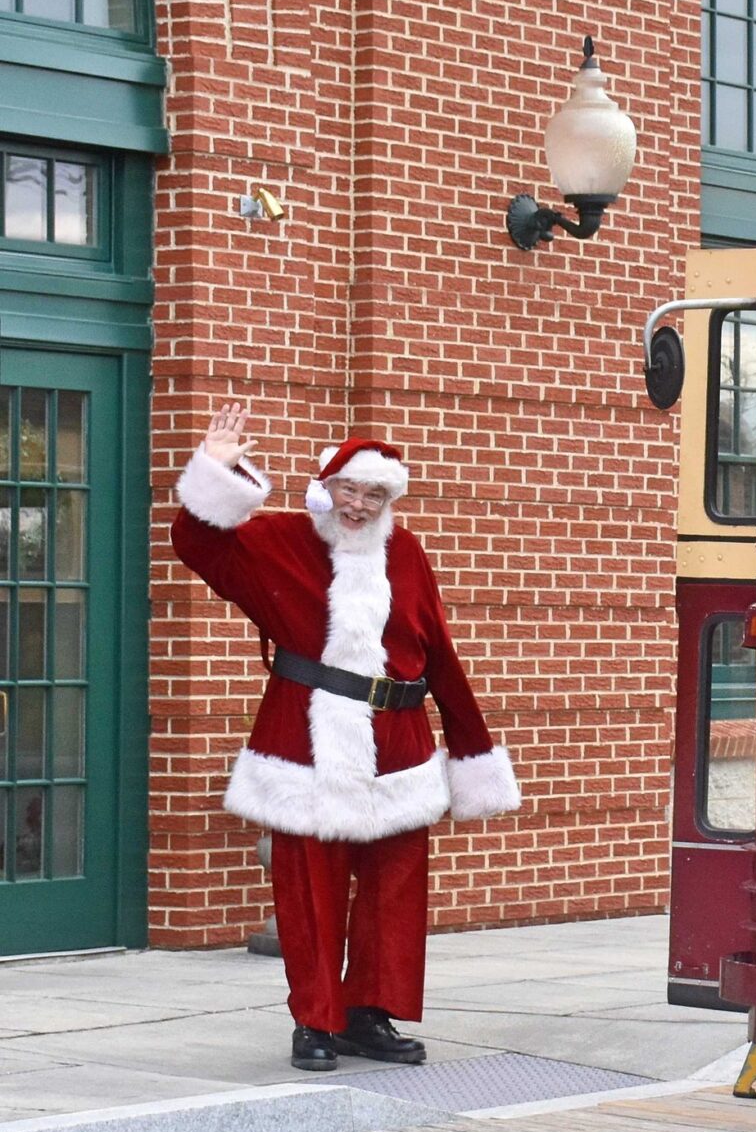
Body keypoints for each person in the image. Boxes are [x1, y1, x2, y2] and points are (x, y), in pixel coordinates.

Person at [172, 404, 518, 1073]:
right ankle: (316, 1021)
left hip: (400, 740)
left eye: (375, 494)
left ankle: (369, 1014)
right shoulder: (280, 540)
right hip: (306, 740)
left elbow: (440, 653)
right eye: (349, 490)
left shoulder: (409, 553)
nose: (359, 505)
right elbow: (197, 545)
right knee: (310, 890)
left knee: (395, 890)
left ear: (391, 499)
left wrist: (472, 748)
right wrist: (216, 469)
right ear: (325, 487)